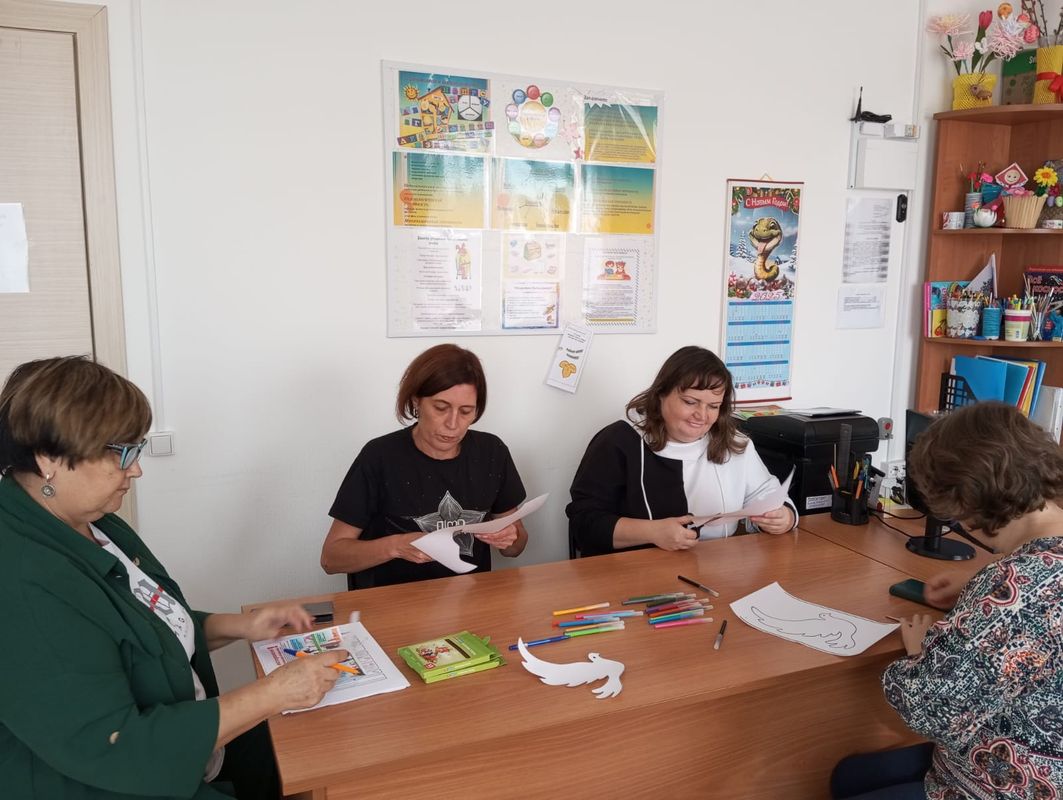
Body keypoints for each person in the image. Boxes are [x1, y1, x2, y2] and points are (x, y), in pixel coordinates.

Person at [0, 357, 347, 800]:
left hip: (188, 737)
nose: (136, 469)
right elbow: (117, 746)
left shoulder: (92, 521)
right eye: (120, 453)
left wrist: (240, 625)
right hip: (117, 781)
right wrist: (275, 693)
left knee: (320, 754)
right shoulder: (24, 582)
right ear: (49, 458)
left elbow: (141, 627)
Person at [832, 402, 1063, 799]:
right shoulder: (1031, 569)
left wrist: (921, 650)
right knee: (849, 776)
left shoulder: (1015, 590)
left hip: (1006, 784)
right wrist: (978, 584)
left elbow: (928, 707)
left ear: (967, 502)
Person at [321, 344, 528, 589]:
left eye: (465, 412)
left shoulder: (492, 452)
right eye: (440, 408)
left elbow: (516, 548)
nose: (453, 424)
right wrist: (396, 546)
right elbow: (331, 558)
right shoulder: (380, 456)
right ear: (416, 401)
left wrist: (510, 538)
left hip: (470, 598)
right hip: (394, 601)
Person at [566, 346, 796, 556]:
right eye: (690, 402)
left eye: (713, 406)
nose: (702, 415)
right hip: (634, 572)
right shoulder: (619, 441)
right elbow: (584, 523)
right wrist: (652, 532)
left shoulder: (732, 442)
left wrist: (784, 517)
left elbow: (769, 496)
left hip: (716, 566)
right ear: (661, 394)